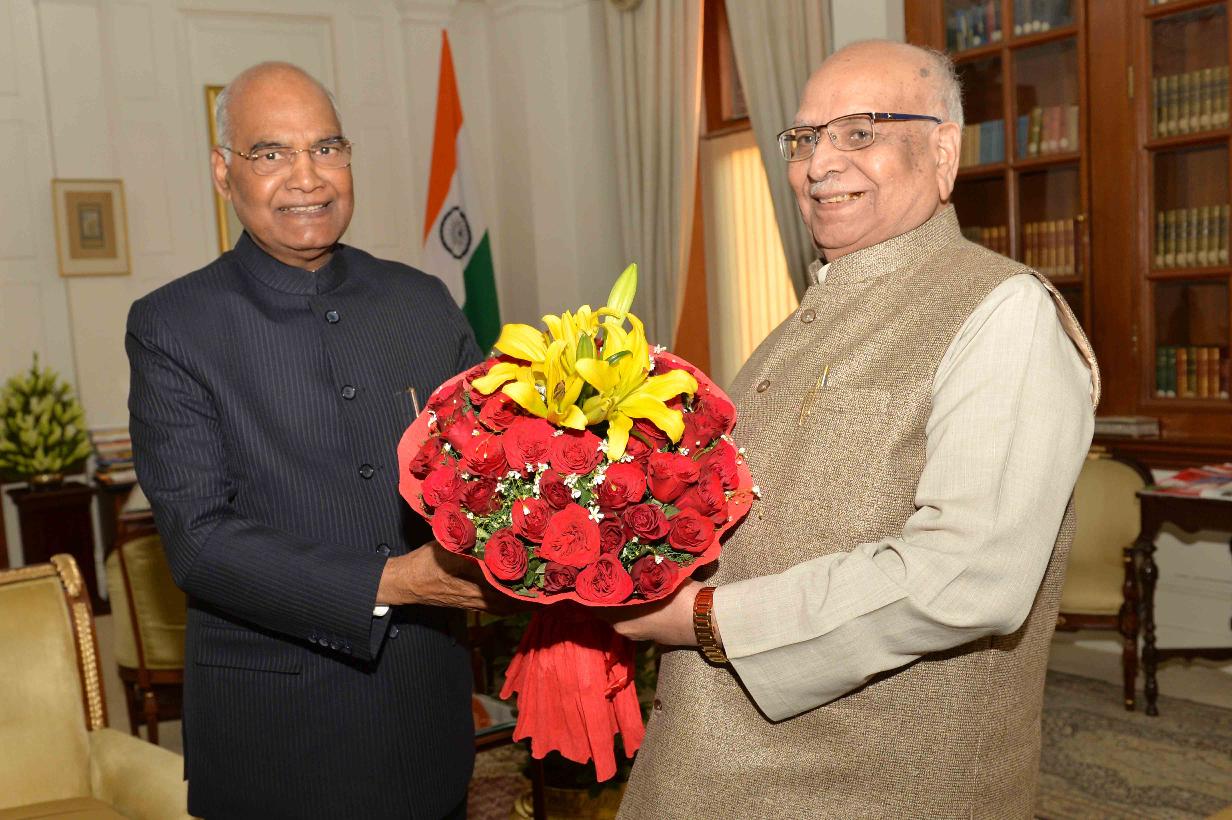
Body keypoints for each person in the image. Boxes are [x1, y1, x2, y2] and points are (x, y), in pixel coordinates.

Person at [609, 40, 1099, 818]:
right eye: (805, 138)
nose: (819, 164)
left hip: (867, 790)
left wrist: (703, 618)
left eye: (860, 132)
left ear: (944, 152)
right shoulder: (794, 326)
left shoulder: (1005, 312)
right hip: (706, 771)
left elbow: (968, 576)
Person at [126, 62, 494, 819]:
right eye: (272, 153)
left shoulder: (422, 301)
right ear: (223, 173)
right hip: (278, 743)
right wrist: (393, 582)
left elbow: (491, 471)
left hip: (428, 720)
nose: (308, 178)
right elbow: (199, 541)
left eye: (327, 149)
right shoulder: (173, 325)